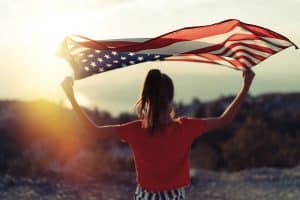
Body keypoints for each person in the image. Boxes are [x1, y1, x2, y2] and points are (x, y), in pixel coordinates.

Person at [61, 68, 255, 200]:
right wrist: (245, 86)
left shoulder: (136, 130)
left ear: (147, 98)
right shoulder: (185, 128)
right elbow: (224, 119)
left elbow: (93, 131)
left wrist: (71, 97)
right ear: (170, 98)